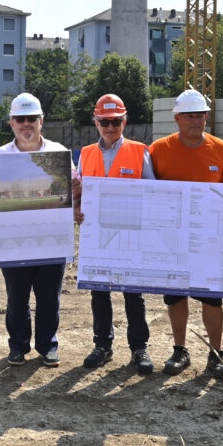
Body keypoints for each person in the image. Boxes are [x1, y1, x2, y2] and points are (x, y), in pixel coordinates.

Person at [148, 89, 223, 380]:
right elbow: (147, 193)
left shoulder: (220, 149)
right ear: (177, 118)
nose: (195, 121)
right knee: (175, 297)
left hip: (209, 241)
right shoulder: (159, 150)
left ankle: (215, 354)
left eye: (200, 115)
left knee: (211, 299)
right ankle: (180, 350)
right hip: (172, 241)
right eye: (189, 116)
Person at [75, 94, 156, 374]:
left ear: (125, 121)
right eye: (105, 122)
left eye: (116, 121)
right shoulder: (85, 154)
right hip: (97, 234)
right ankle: (103, 345)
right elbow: (80, 191)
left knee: (133, 294)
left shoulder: (139, 151)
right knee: (100, 292)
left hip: (130, 233)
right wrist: (76, 207)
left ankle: (138, 348)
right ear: (96, 122)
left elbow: (152, 192)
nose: (110, 127)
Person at [0, 93, 71, 368]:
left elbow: (73, 190)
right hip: (13, 240)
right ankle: (18, 346)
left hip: (51, 239)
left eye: (31, 119)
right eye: (20, 119)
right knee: (17, 296)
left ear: (41, 121)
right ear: (12, 123)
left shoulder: (58, 153)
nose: (26, 124)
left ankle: (47, 345)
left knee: (49, 296)